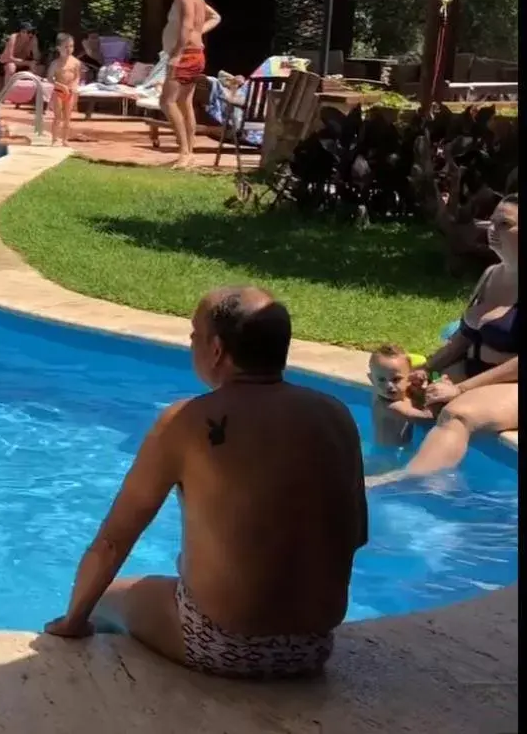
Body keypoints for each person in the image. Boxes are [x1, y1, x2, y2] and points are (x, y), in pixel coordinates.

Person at [44, 287, 366, 682]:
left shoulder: (184, 422)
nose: (191, 344)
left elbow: (112, 542)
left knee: (109, 601)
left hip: (221, 645)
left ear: (216, 350)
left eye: (194, 335)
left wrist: (73, 622)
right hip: (314, 647)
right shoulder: (336, 416)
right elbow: (352, 535)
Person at [377, 194, 518, 480]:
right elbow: (464, 338)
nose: (493, 230)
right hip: (475, 369)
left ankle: (406, 482)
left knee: (458, 414)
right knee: (397, 389)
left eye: (505, 223)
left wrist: (461, 390)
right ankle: (384, 461)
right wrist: (425, 368)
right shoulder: (491, 275)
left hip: (513, 380)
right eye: (491, 222)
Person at [157, 0, 221, 168]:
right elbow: (214, 17)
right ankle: (189, 152)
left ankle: (184, 152)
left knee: (167, 102)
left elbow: (186, 26)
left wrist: (176, 54)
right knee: (184, 102)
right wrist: (198, 34)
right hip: (195, 53)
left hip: (185, 55)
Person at [366, 344, 435, 450]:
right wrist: (437, 400)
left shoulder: (403, 394)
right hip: (386, 457)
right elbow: (426, 419)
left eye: (396, 379)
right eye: (381, 379)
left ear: (409, 378)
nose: (388, 385)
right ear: (371, 379)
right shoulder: (389, 406)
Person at [46, 33, 82, 147]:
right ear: (58, 48)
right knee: (58, 117)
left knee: (67, 117)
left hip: (70, 92)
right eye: (66, 47)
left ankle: (65, 140)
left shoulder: (76, 62)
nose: (69, 49)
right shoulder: (55, 63)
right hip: (59, 92)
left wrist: (74, 86)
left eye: (71, 46)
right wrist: (60, 86)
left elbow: (77, 76)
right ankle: (54, 139)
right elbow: (50, 78)